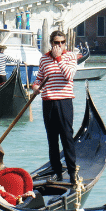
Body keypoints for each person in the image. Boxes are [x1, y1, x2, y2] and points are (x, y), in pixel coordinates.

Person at [31, 30, 78, 182]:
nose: (59, 45)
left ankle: (72, 172)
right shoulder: (44, 59)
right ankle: (57, 172)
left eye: (62, 42)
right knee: (52, 140)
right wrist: (35, 87)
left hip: (65, 101)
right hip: (48, 102)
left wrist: (59, 58)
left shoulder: (70, 56)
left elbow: (69, 76)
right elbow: (39, 79)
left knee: (67, 137)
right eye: (56, 43)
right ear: (51, 43)